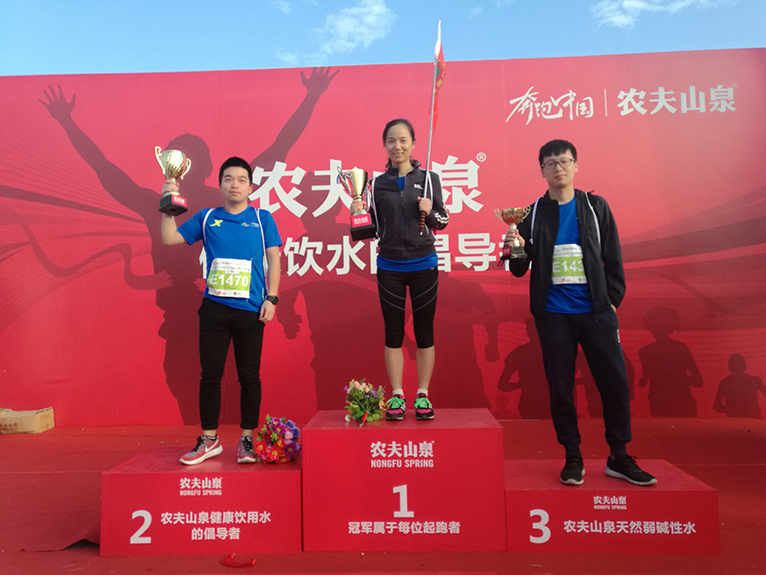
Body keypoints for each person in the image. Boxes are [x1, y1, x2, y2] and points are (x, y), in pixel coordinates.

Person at [508, 139, 656, 486]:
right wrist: (515, 248)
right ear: (542, 171)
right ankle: (572, 456)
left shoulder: (594, 206)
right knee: (561, 388)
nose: (558, 168)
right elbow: (518, 269)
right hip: (553, 315)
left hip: (596, 313)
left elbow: (613, 256)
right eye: (550, 163)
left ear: (575, 166)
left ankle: (618, 455)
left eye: (564, 161)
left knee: (614, 383)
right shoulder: (531, 214)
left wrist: (611, 300)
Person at [161, 157, 282, 465]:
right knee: (210, 376)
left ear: (251, 187)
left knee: (249, 376)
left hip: (251, 310)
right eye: (228, 179)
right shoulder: (207, 217)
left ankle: (246, 439)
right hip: (214, 308)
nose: (234, 185)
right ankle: (209, 439)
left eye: (241, 180)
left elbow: (274, 259)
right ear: (220, 185)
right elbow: (170, 238)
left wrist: (272, 297)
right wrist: (167, 204)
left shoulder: (262, 218)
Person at [350, 119, 449, 421]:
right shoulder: (376, 184)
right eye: (391, 141)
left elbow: (443, 220)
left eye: (403, 140)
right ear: (385, 145)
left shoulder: (429, 178)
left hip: (424, 264)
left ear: (413, 143)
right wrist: (357, 215)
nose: (398, 146)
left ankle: (423, 394)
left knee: (424, 331)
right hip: (389, 266)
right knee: (393, 333)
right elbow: (371, 230)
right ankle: (397, 395)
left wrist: (429, 211)